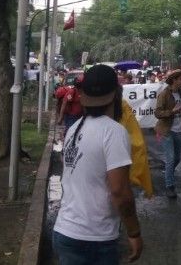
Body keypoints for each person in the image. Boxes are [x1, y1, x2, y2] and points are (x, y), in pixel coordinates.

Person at [53, 64, 142, 263]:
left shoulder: (75, 128)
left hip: (64, 231)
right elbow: (120, 192)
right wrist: (134, 232)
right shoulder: (114, 132)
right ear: (116, 94)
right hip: (94, 239)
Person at [154, 68, 181, 198]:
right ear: (174, 80)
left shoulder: (180, 93)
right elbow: (157, 113)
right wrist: (171, 112)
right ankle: (170, 186)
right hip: (166, 130)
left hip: (178, 130)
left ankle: (168, 174)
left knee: (177, 158)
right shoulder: (164, 94)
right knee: (171, 159)